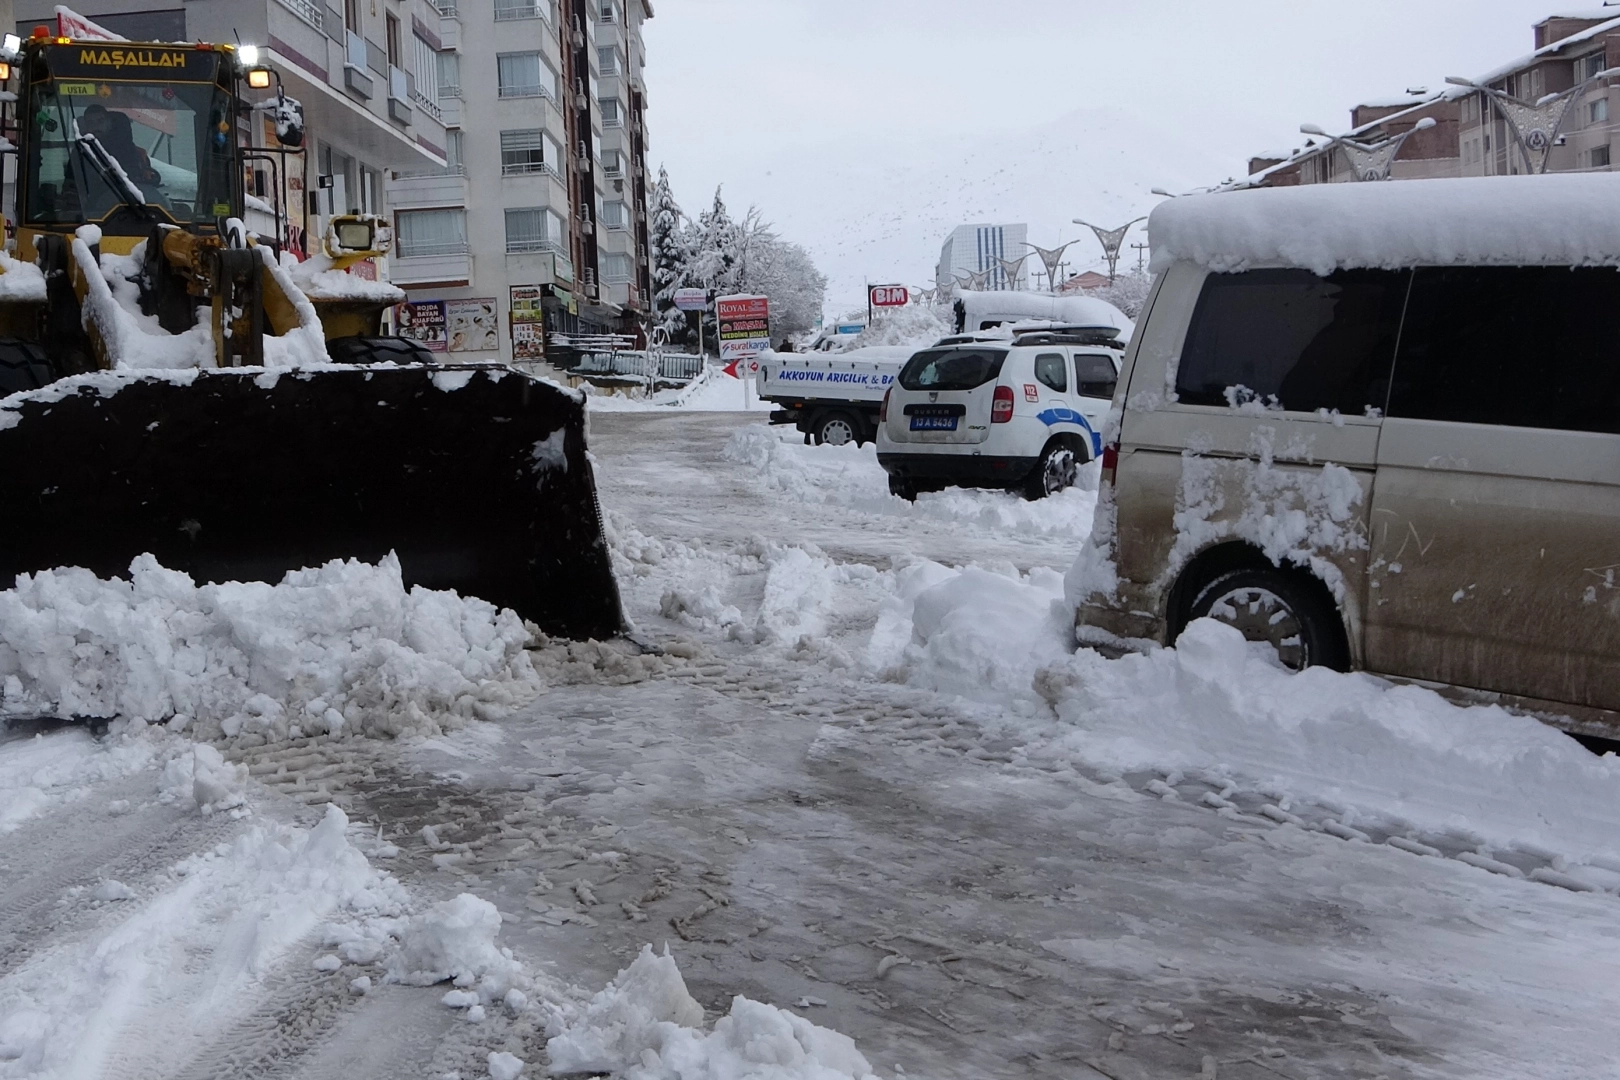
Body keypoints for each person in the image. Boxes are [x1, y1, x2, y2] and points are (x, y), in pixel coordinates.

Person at [79, 105, 161, 191]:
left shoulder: (136, 154)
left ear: (109, 123)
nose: (96, 127)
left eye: (100, 121)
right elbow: (71, 190)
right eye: (91, 123)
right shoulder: (80, 154)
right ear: (86, 126)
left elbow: (146, 188)